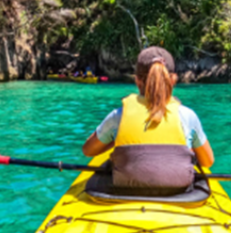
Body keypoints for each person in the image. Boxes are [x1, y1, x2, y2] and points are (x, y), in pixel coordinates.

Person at [82, 47, 214, 192]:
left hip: (125, 189)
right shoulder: (188, 116)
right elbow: (207, 161)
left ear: (137, 80)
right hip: (179, 191)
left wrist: (116, 139)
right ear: (173, 80)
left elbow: (88, 150)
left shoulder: (117, 116)